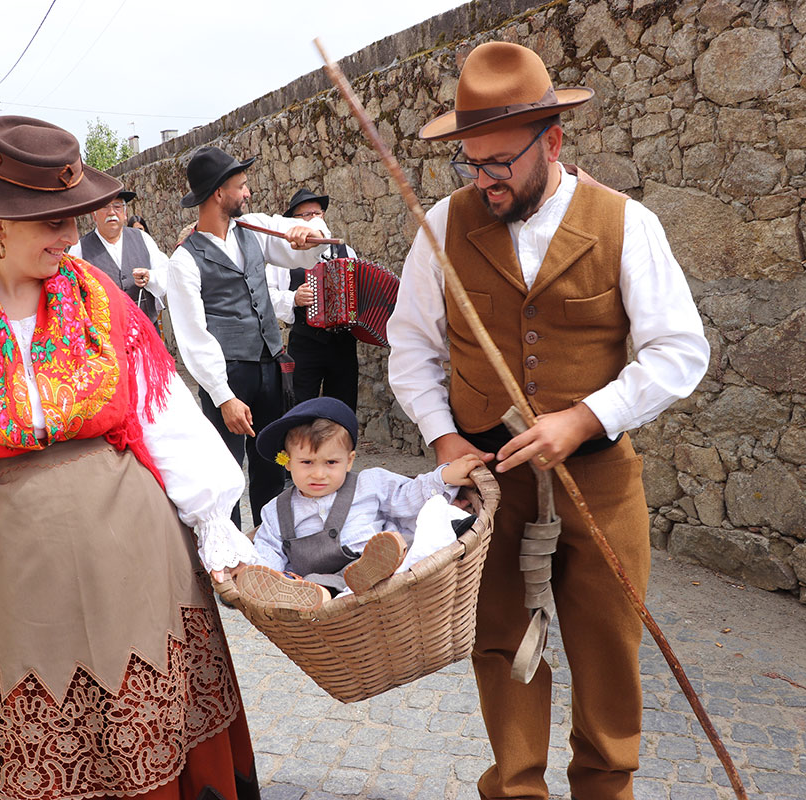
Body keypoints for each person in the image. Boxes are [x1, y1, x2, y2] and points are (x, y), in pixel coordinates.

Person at [0, 116, 261, 800]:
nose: (70, 236)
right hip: (5, 576)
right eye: (52, 223)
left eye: (74, 219)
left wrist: (214, 523)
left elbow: (163, 412)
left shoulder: (96, 297)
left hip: (135, 557)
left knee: (147, 720)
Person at [386, 42, 710, 800]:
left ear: (553, 142)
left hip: (598, 477)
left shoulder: (627, 224)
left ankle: (606, 789)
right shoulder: (440, 227)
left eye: (499, 161)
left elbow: (678, 351)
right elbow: (411, 350)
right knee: (500, 648)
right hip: (492, 484)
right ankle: (519, 791)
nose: (483, 179)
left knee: (608, 651)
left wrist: (586, 418)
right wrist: (445, 438)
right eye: (471, 162)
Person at [166, 145, 329, 527]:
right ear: (218, 194)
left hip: (270, 368)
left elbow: (303, 244)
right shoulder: (184, 261)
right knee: (225, 473)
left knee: (273, 462)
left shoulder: (253, 229)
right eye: (241, 187)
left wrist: (308, 232)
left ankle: (273, 549)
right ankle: (231, 559)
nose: (248, 193)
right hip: (229, 375)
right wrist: (224, 397)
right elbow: (194, 337)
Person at [235, 397, 481, 610]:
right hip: (321, 583)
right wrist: (256, 575)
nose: (319, 474)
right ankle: (315, 593)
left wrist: (444, 477)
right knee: (310, 584)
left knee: (402, 542)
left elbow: (408, 496)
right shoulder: (276, 510)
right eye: (307, 463)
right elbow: (269, 549)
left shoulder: (370, 484)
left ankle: (369, 570)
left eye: (331, 463)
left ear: (349, 461)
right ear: (287, 462)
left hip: (382, 568)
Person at [267, 188, 361, 410]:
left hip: (344, 345)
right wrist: (293, 299)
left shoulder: (346, 251)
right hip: (306, 342)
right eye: (306, 215)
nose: (314, 219)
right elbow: (266, 297)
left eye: (317, 214)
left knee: (343, 407)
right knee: (299, 406)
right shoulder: (281, 258)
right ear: (293, 222)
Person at [69, 190, 167, 332]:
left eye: (117, 206)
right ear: (94, 216)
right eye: (105, 207)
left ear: (125, 213)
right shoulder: (79, 249)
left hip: (147, 332)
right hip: (107, 339)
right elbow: (72, 294)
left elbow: (165, 274)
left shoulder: (142, 238)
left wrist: (150, 277)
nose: (111, 212)